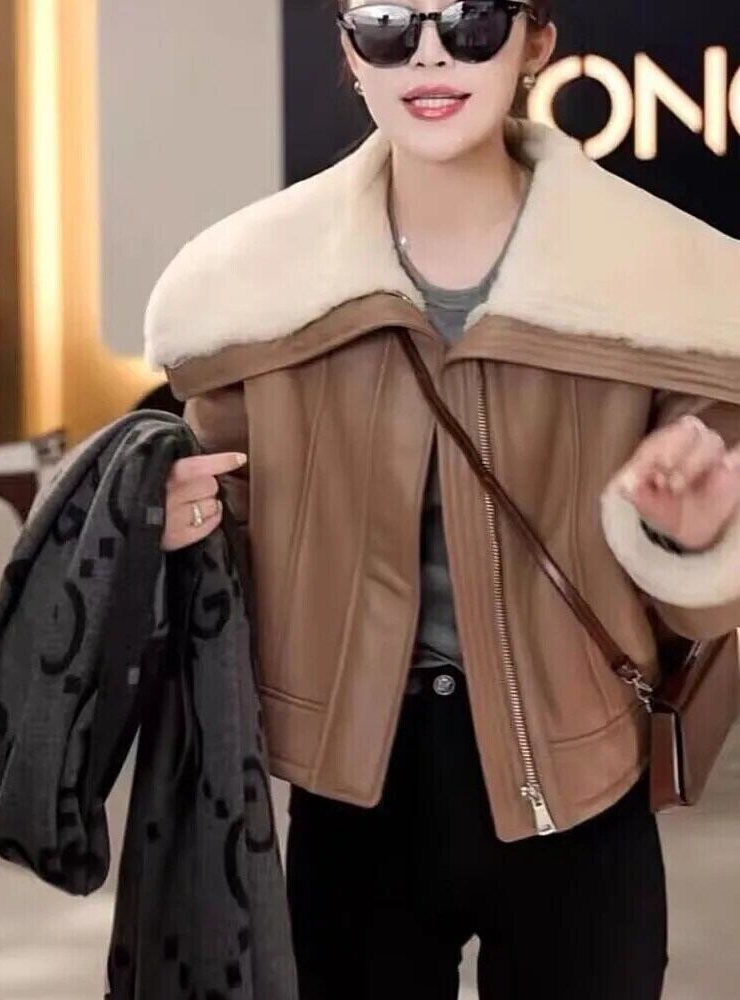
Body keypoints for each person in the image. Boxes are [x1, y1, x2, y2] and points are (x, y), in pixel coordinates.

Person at [144, 2, 740, 997]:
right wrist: (173, 528)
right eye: (387, 20)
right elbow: (228, 551)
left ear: (535, 42)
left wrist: (697, 540)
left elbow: (706, 612)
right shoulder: (256, 293)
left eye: (471, 20)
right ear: (349, 50)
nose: (428, 51)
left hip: (581, 791)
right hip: (355, 791)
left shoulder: (659, 288)